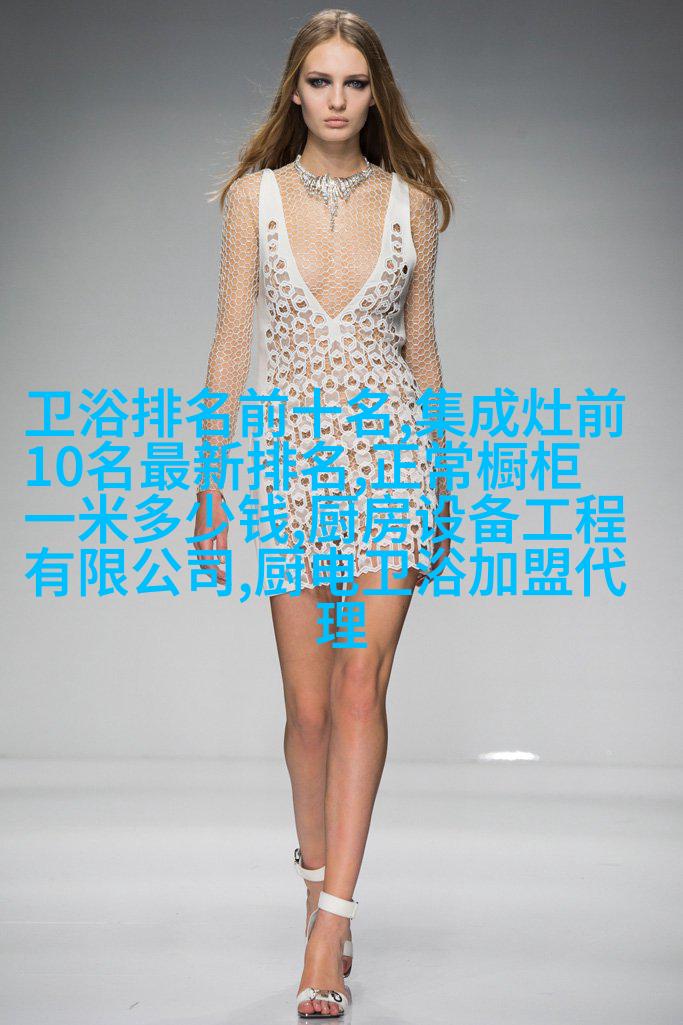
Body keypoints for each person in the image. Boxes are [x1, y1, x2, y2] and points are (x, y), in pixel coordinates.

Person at [193, 8, 453, 1017]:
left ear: (375, 93)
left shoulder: (412, 205)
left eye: (353, 82)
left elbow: (422, 349)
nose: (336, 100)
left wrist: (442, 474)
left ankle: (331, 926)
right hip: (285, 464)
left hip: (391, 460)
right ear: (293, 92)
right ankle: (316, 890)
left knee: (358, 686)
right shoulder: (250, 200)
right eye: (319, 81)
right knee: (304, 711)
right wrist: (209, 477)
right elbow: (230, 344)